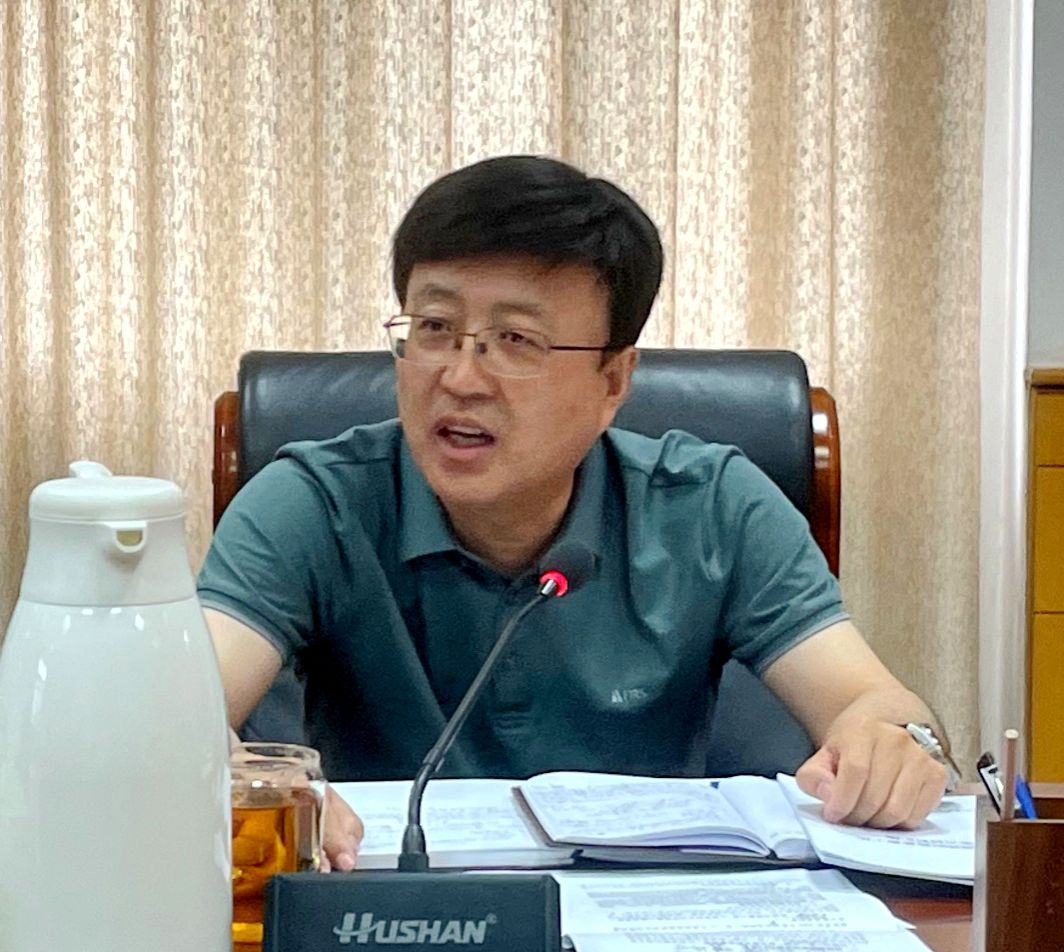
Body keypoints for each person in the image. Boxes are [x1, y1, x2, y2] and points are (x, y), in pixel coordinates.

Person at [198, 155, 956, 872]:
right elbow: (176, 709)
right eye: (433, 328)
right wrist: (222, 768)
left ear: (613, 380)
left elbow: (874, 701)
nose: (460, 378)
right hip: (393, 912)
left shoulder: (714, 506)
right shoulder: (313, 502)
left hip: (650, 913)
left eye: (515, 341)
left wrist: (898, 744)